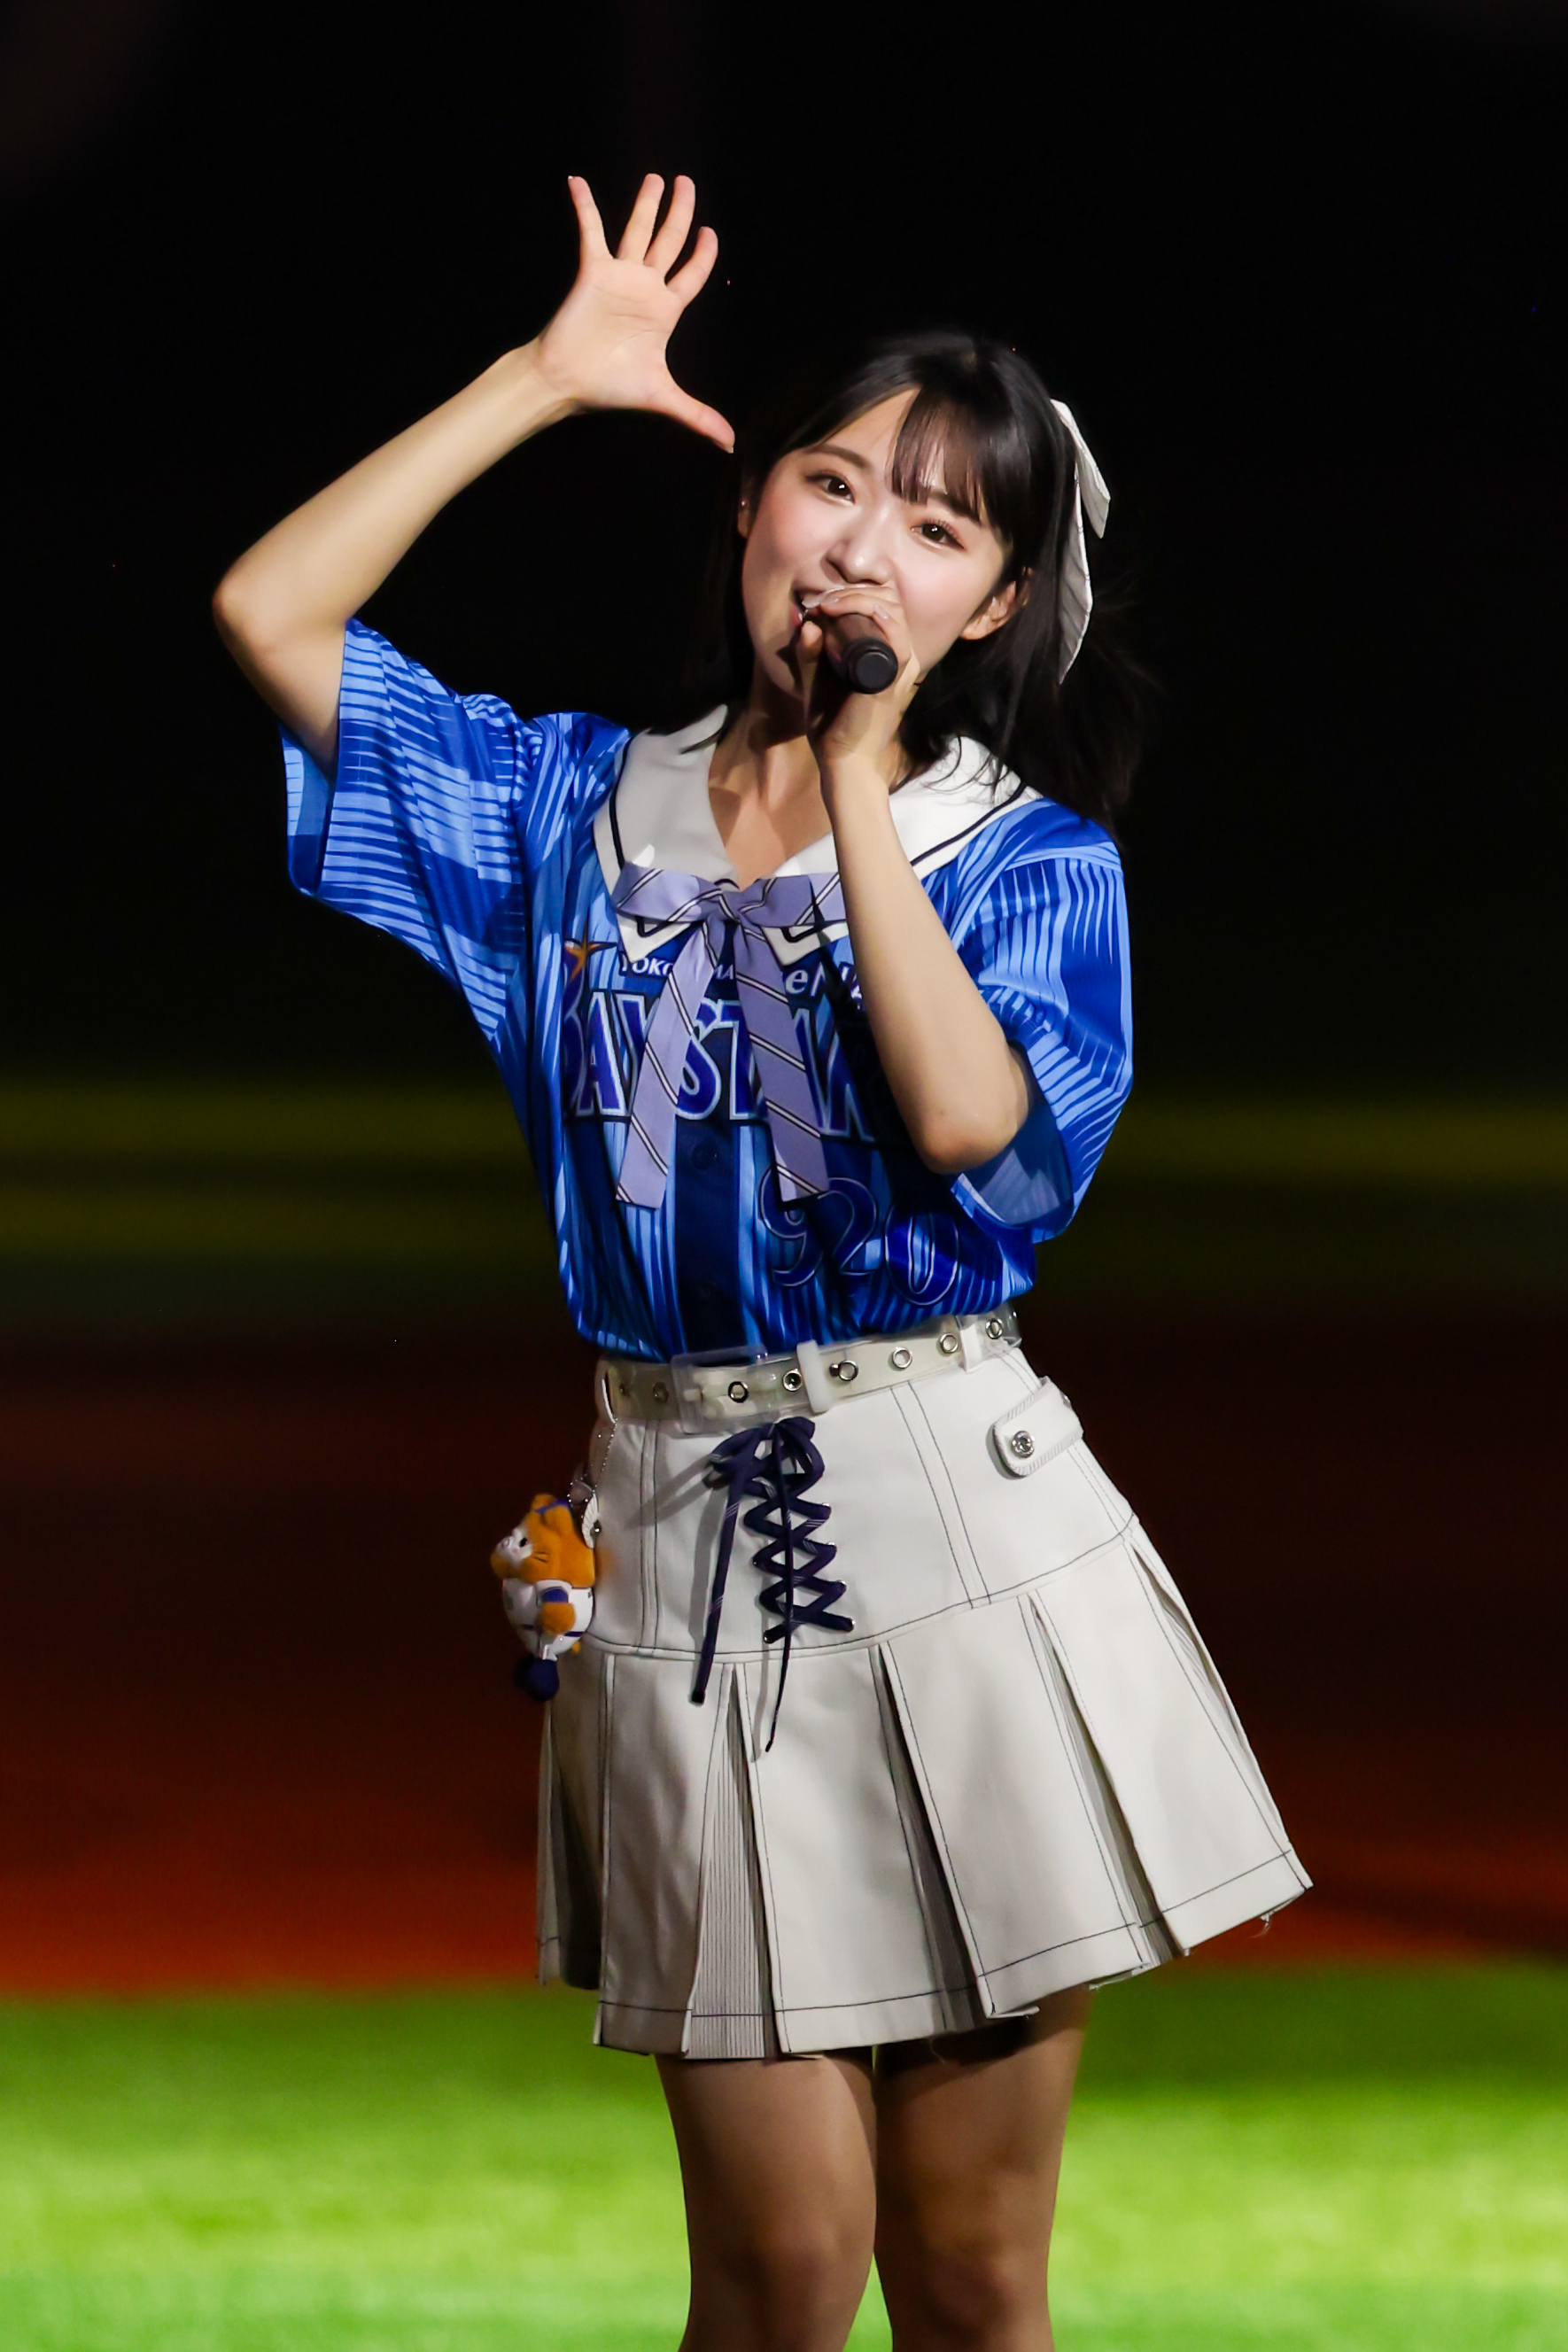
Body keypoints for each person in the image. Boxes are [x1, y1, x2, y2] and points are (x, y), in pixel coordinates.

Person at [215, 172, 1308, 2352]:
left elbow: (971, 1119)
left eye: (936, 524)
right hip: (678, 1539)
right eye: (832, 483)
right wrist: (542, 383)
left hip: (962, 1532)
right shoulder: (562, 810)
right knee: (779, 2271)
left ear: (995, 603)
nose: (862, 546)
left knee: (972, 2278)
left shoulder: (1028, 858)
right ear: (747, 510)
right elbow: (271, 610)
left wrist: (860, 778)